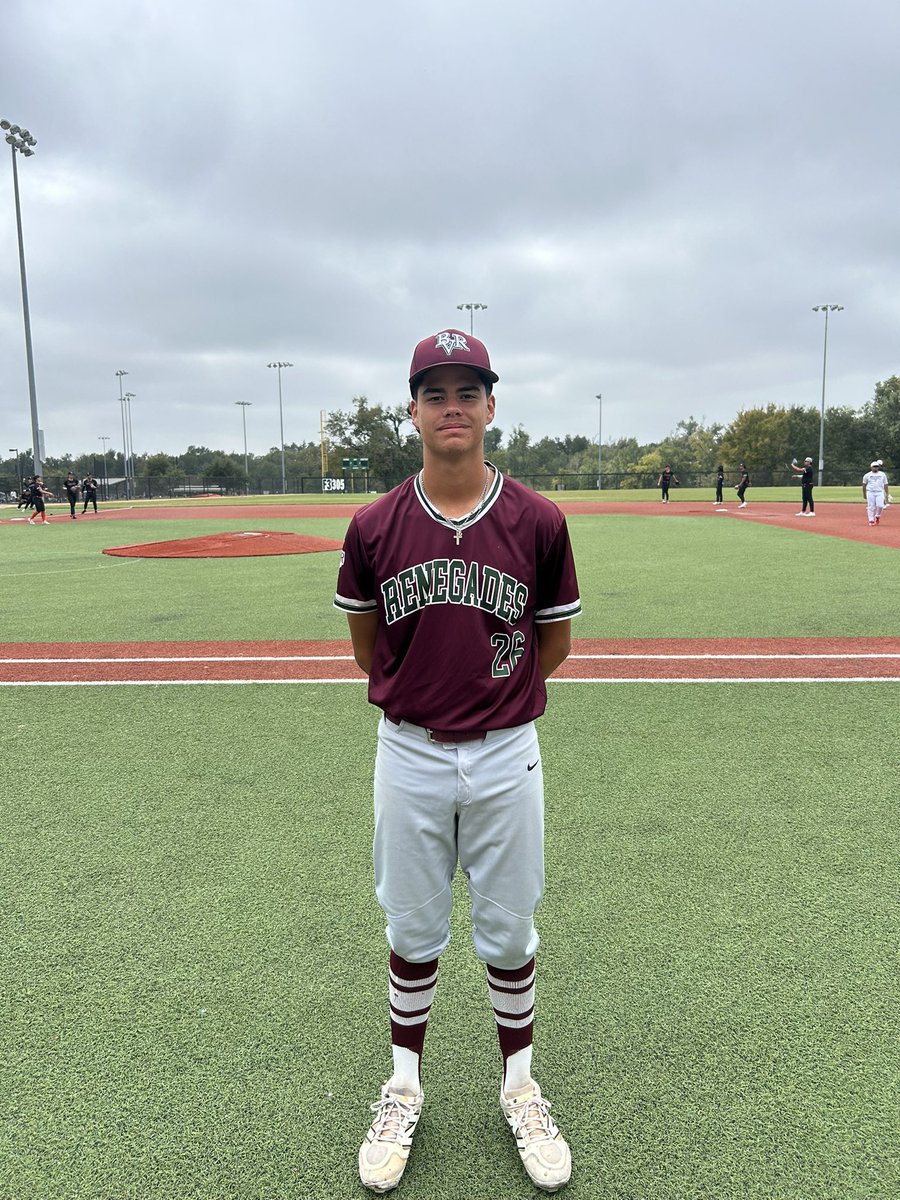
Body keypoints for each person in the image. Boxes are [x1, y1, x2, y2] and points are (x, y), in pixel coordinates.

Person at [334, 328, 581, 1194]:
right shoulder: (374, 525)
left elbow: (551, 642)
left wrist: (493, 701)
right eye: (435, 393)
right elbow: (370, 648)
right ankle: (404, 1085)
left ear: (490, 406)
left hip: (509, 750)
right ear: (412, 410)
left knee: (510, 929)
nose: (452, 407)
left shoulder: (538, 521)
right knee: (412, 927)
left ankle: (520, 1086)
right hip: (408, 752)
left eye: (467, 391)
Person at [862, 460, 888, 525]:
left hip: (880, 492)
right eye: (874, 467)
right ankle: (871, 520)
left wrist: (887, 493)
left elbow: (885, 484)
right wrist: (864, 494)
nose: (875, 468)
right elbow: (864, 485)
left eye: (876, 466)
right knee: (871, 506)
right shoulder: (867, 475)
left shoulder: (882, 474)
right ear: (871, 467)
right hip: (870, 492)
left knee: (880, 505)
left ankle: (877, 515)